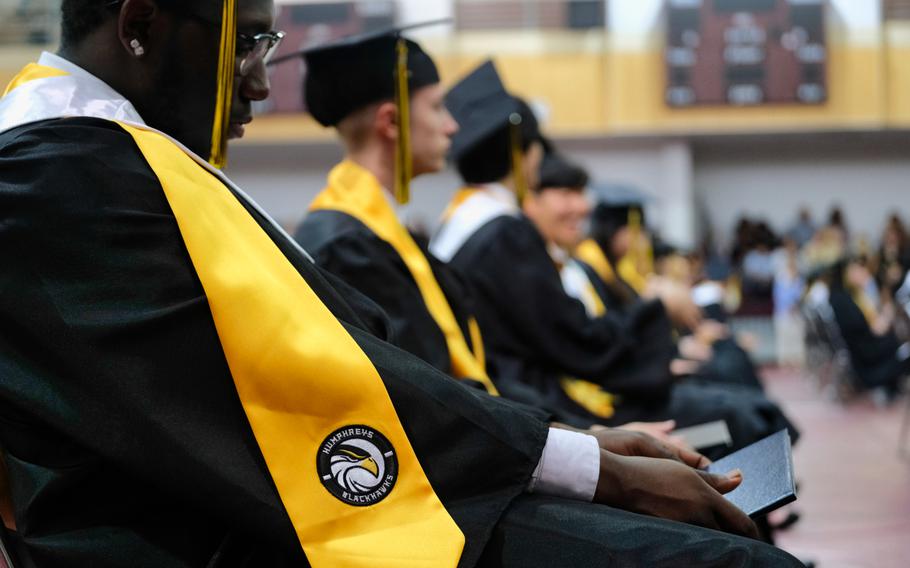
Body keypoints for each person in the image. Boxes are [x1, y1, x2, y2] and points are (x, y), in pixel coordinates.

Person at [0, 1, 803, 567]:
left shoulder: (106, 162)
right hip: (233, 533)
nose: (256, 85)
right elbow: (317, 386)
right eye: (247, 46)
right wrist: (587, 463)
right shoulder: (57, 173)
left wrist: (579, 448)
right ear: (140, 25)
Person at [431, 61, 796, 453]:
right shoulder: (503, 233)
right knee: (734, 418)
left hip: (512, 402)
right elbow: (574, 339)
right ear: (521, 155)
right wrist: (656, 311)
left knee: (734, 406)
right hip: (536, 410)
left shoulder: (457, 225)